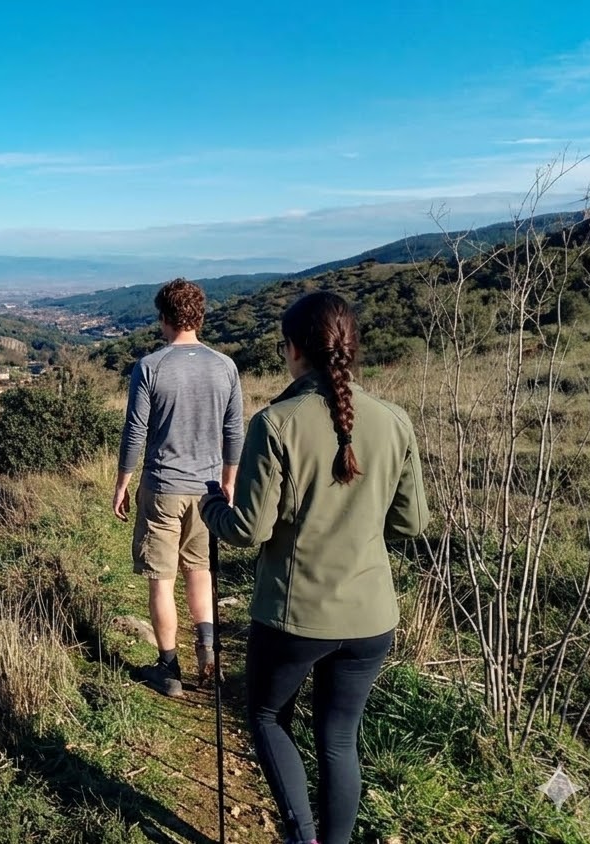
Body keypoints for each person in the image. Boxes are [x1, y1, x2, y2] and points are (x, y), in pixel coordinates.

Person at [198, 291, 429, 844]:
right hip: (372, 618)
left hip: (294, 615)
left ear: (294, 349)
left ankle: (300, 836)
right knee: (339, 737)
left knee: (268, 717)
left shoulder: (276, 423)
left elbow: (247, 530)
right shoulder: (394, 421)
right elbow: (412, 522)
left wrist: (211, 508)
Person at [114, 279, 244, 696]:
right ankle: (208, 653)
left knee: (161, 580)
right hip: (207, 491)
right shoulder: (225, 366)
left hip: (163, 486)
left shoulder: (151, 366)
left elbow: (135, 433)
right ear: (198, 316)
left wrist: (122, 483)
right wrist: (228, 481)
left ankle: (168, 668)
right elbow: (233, 431)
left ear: (165, 317)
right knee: (200, 573)